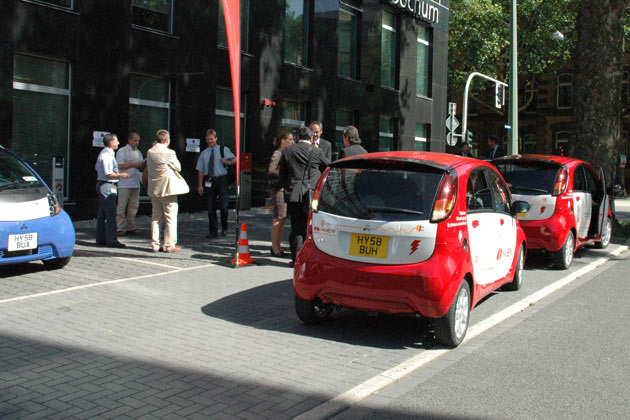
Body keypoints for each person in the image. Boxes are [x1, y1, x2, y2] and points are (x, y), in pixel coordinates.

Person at [279, 126, 330, 264]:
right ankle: (308, 258)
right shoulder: (316, 151)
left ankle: (296, 259)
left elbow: (282, 173)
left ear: (298, 137)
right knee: (309, 226)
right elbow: (328, 166)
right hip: (311, 194)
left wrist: (283, 186)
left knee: (296, 227)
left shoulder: (288, 151)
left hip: (293, 193)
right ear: (311, 138)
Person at [146, 129, 187, 252]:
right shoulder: (169, 152)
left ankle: (155, 244)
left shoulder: (150, 151)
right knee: (170, 217)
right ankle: (169, 245)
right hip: (167, 189)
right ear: (167, 140)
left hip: (154, 188)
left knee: (155, 217)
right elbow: (178, 167)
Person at [196, 129, 236, 238]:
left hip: (222, 179)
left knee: (224, 206)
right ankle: (213, 231)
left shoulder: (223, 149)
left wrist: (227, 162)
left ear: (216, 138)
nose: (210, 141)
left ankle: (224, 227)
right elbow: (200, 170)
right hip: (209, 180)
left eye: (211, 139)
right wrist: (200, 185)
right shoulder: (204, 153)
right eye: (208, 140)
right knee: (211, 207)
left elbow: (235, 160)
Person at [95, 133, 129, 248]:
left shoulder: (105, 154)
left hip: (104, 184)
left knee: (103, 213)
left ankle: (101, 238)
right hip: (107, 185)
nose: (118, 143)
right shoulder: (107, 156)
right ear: (111, 143)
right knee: (111, 214)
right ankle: (112, 240)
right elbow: (108, 173)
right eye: (116, 141)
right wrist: (121, 175)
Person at [267, 130, 294, 257]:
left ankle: (277, 246)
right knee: (278, 217)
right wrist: (284, 173)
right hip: (278, 189)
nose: (292, 142)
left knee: (282, 218)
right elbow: (271, 170)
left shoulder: (285, 153)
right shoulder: (278, 153)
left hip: (283, 188)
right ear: (283, 140)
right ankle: (275, 247)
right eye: (290, 139)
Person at [116, 131, 144, 236]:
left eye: (138, 141)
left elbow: (140, 166)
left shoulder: (139, 152)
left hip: (135, 182)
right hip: (124, 183)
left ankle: (130, 226)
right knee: (121, 206)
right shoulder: (122, 151)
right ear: (129, 140)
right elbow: (120, 165)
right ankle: (119, 227)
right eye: (135, 140)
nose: (137, 143)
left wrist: (141, 165)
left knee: (133, 206)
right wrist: (133, 164)